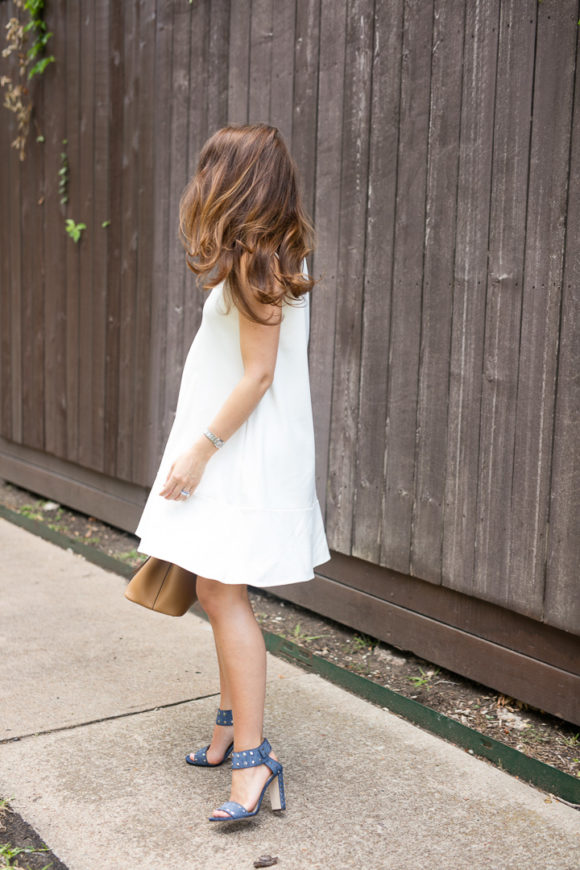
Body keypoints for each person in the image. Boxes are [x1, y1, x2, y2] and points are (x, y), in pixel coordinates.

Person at [134, 123, 331, 823]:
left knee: (222, 591)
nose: (201, 180)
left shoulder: (258, 264)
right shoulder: (265, 254)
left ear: (236, 181)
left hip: (239, 453)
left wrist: (199, 448)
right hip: (237, 450)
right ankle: (229, 727)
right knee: (218, 592)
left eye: (212, 168)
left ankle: (254, 758)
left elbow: (257, 376)